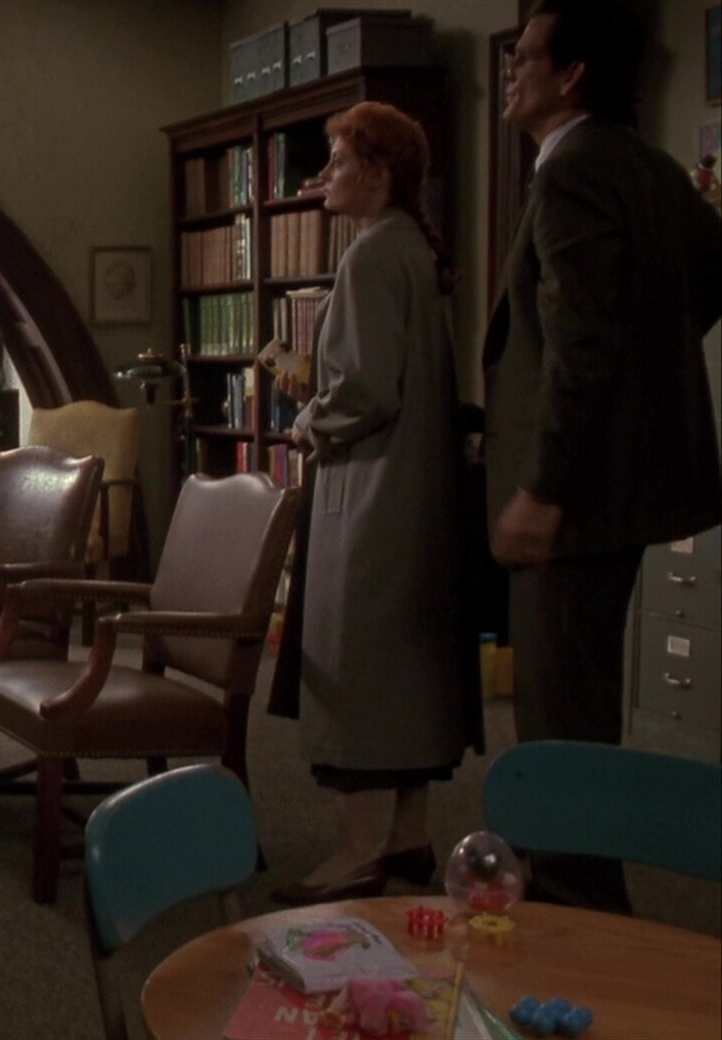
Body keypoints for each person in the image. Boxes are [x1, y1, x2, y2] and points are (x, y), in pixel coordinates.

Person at [485, 0, 722, 912]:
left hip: (574, 499)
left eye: (525, 56)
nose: (511, 71)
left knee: (559, 728)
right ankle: (575, 902)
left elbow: (581, 345)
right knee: (579, 710)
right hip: (617, 486)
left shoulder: (575, 169)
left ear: (572, 74)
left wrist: (543, 488)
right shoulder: (649, 166)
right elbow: (702, 277)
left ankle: (577, 919)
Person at [269, 101, 481, 906]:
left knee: (354, 665)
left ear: (378, 171)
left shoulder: (368, 258)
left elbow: (364, 389)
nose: (323, 174)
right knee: (409, 668)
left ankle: (357, 850)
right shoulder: (412, 250)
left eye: (337, 159)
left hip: (370, 493)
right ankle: (408, 834)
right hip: (417, 491)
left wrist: (307, 422)